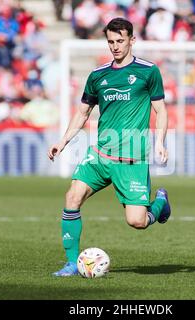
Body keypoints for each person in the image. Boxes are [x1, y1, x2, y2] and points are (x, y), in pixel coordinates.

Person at [48, 18, 171, 277]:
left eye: (120, 41)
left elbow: (160, 110)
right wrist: (63, 142)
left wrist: (159, 142)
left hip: (131, 160)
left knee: (137, 221)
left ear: (131, 40)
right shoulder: (98, 75)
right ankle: (72, 262)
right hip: (100, 155)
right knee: (72, 197)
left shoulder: (148, 72)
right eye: (111, 42)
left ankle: (159, 203)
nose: (115, 46)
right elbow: (82, 113)